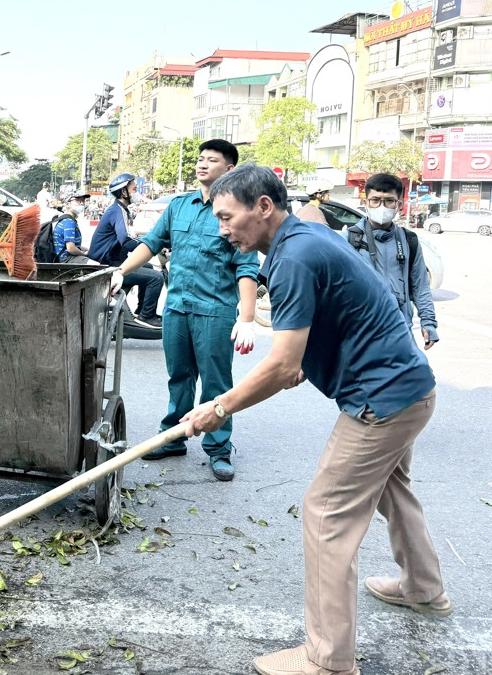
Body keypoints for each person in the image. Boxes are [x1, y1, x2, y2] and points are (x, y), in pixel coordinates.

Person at [176, 164, 447, 675]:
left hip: (381, 402)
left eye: (227, 216)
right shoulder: (303, 239)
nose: (222, 228)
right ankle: (423, 588)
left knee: (325, 513)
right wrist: (302, 362)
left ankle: (328, 661)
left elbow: (280, 366)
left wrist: (219, 408)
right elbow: (305, 345)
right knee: (393, 490)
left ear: (262, 207)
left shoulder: (294, 255)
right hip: (409, 389)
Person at [111, 141, 258, 480]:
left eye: (213, 160)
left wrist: (246, 317)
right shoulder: (179, 206)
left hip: (215, 311)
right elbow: (151, 244)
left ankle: (219, 447)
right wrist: (122, 271)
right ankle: (175, 436)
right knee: (179, 377)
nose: (203, 164)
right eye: (201, 159)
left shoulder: (236, 212)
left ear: (230, 169)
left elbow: (246, 268)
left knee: (216, 383)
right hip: (177, 307)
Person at [345, 173, 438, 350]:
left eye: (389, 201)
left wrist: (428, 321)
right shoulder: (348, 240)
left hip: (401, 332)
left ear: (399, 205)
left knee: (421, 377)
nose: (382, 206)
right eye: (375, 200)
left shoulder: (409, 240)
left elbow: (421, 286)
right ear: (366, 203)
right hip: (361, 336)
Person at [88, 173, 164, 329]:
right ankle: (147, 316)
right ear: (124, 192)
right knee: (157, 277)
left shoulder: (121, 210)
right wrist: (150, 248)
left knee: (148, 268)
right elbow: (126, 241)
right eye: (135, 189)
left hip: (112, 261)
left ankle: (141, 310)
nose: (137, 193)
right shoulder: (118, 211)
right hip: (107, 266)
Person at [54, 190, 92, 263]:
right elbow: (71, 248)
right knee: (96, 265)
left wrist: (88, 249)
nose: (81, 203)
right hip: (67, 259)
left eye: (83, 201)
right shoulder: (69, 222)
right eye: (78, 200)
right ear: (68, 204)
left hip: (65, 258)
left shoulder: (65, 220)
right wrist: (84, 255)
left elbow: (74, 245)